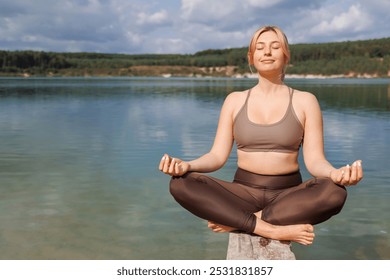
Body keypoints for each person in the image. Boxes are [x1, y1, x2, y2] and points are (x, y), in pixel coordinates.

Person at [158, 25, 363, 246]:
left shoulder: (305, 101)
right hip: (242, 193)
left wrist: (336, 174)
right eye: (260, 47)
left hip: (288, 195)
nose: (267, 52)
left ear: (286, 56)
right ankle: (272, 230)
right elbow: (217, 155)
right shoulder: (234, 100)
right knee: (180, 184)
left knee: (334, 193)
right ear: (251, 57)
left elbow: (314, 161)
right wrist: (187, 166)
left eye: (275, 47)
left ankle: (242, 221)